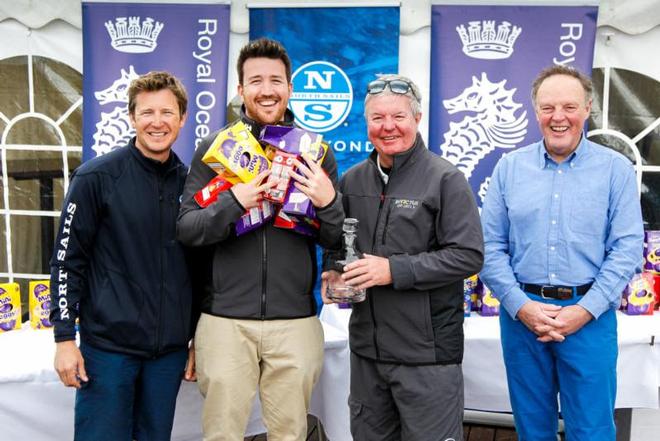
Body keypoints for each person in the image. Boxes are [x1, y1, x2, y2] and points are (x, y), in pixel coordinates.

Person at [176, 38, 343, 441]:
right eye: (256, 81)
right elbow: (187, 229)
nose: (266, 90)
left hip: (296, 322)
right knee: (222, 434)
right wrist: (235, 200)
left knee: (290, 433)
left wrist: (329, 202)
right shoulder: (214, 152)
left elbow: (337, 239)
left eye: (276, 80)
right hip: (225, 321)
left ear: (289, 87)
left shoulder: (315, 153)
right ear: (240, 89)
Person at [480, 65, 644, 441]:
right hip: (523, 319)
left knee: (592, 430)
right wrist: (521, 306)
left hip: (590, 316)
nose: (558, 118)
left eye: (569, 107)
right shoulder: (509, 169)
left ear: (587, 109)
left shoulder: (615, 170)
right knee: (531, 429)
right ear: (535, 111)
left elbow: (628, 248)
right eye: (548, 107)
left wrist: (584, 311)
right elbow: (490, 247)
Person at [322, 74, 484, 441]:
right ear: (366, 124)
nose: (388, 127)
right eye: (378, 118)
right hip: (368, 355)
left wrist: (392, 270)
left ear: (417, 119)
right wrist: (331, 272)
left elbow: (468, 256)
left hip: (427, 359)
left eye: (398, 117)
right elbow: (337, 243)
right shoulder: (352, 181)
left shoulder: (446, 179)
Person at [50, 71, 195, 441]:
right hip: (108, 353)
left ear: (182, 118)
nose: (157, 122)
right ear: (132, 118)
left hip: (168, 356)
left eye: (167, 112)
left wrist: (196, 339)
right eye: (147, 112)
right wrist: (65, 338)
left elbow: (202, 269)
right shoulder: (95, 178)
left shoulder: (193, 185)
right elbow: (67, 261)